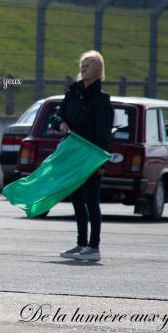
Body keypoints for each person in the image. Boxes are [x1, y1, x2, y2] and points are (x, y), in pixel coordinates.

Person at [53, 50, 111, 262]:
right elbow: (58, 115)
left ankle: (94, 246)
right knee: (76, 199)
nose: (83, 68)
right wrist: (60, 123)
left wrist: (102, 160)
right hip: (72, 155)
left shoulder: (102, 100)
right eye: (82, 65)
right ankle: (81, 243)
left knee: (91, 200)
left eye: (88, 65)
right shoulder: (72, 93)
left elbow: (103, 132)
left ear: (97, 70)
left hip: (91, 156)